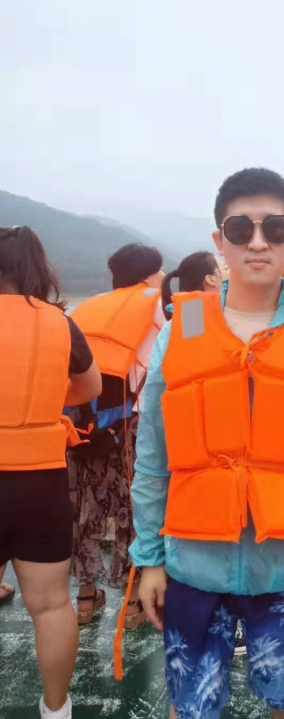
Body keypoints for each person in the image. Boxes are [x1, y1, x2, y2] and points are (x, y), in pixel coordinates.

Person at [130, 168, 284, 719]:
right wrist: (149, 560)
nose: (258, 242)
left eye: (274, 228)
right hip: (192, 565)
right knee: (191, 705)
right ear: (220, 241)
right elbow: (152, 458)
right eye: (240, 228)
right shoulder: (177, 333)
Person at [0, 226, 101, 719]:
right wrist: (42, 401)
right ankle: (56, 710)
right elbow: (90, 387)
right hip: (40, 482)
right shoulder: (59, 323)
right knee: (50, 605)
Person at [67, 243, 165, 627]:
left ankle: (86, 598)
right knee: (133, 508)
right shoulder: (158, 303)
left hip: (81, 424)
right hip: (131, 426)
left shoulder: (88, 307)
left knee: (86, 508)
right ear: (148, 274)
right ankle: (134, 602)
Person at [161, 251, 228, 319]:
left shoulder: (185, 317)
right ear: (210, 279)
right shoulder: (199, 319)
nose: (230, 272)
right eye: (225, 269)